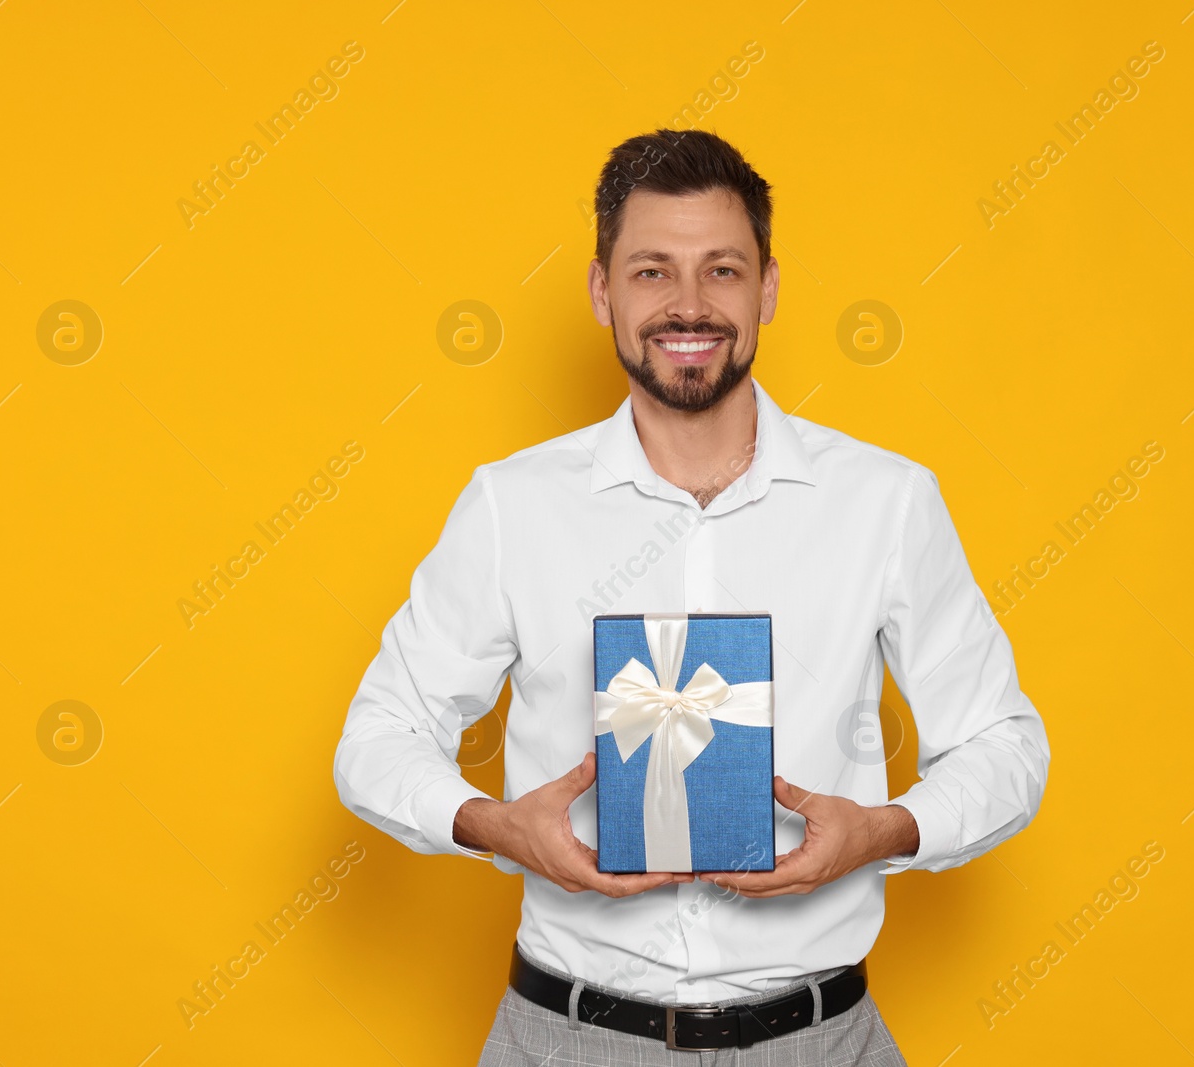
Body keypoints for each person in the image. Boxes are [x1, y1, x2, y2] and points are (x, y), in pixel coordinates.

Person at [333, 128, 1050, 1065]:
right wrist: (494, 826)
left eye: (721, 270)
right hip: (568, 1038)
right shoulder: (512, 505)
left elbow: (1006, 741)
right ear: (602, 291)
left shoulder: (886, 501)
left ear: (768, 288)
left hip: (820, 1038)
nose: (688, 305)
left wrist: (887, 829)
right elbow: (376, 739)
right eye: (651, 272)